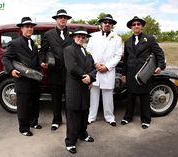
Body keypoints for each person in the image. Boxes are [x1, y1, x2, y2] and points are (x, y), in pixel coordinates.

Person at [120, 16, 166, 129]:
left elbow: (159, 53)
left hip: (144, 73)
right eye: (134, 24)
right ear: (131, 27)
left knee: (144, 96)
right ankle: (127, 117)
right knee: (130, 95)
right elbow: (126, 59)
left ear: (141, 26)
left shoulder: (149, 39)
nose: (136, 26)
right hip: (131, 73)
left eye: (138, 24)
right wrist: (124, 74)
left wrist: (160, 66)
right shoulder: (127, 42)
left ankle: (145, 119)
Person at [2, 17, 43, 136]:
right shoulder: (14, 43)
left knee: (35, 103)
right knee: (23, 106)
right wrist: (11, 70)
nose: (30, 29)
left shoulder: (34, 44)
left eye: (31, 27)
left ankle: (34, 122)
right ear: (22, 29)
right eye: (27, 26)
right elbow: (6, 58)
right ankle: (24, 129)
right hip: (22, 80)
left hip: (34, 79)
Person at [63, 26, 96, 154]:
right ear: (74, 37)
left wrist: (91, 78)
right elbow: (72, 67)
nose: (81, 38)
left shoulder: (87, 52)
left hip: (85, 88)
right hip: (74, 88)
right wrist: (85, 77)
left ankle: (83, 134)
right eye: (78, 36)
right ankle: (70, 142)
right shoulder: (69, 50)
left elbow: (93, 68)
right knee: (73, 115)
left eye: (83, 37)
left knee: (84, 112)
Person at [40, 9, 73, 131]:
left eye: (65, 18)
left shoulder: (72, 34)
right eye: (60, 17)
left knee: (70, 98)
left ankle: (71, 120)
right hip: (54, 72)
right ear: (56, 19)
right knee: (56, 98)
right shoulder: (48, 34)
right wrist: (42, 61)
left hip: (70, 73)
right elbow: (42, 51)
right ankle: (56, 120)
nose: (63, 19)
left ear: (67, 20)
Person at [87, 14, 122, 126]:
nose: (107, 24)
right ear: (101, 24)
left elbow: (118, 56)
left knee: (108, 96)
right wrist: (96, 64)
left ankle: (110, 117)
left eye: (109, 23)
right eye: (105, 22)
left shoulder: (117, 38)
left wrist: (107, 67)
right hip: (95, 70)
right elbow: (88, 51)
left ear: (112, 25)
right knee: (93, 95)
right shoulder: (92, 36)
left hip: (108, 71)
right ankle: (91, 117)